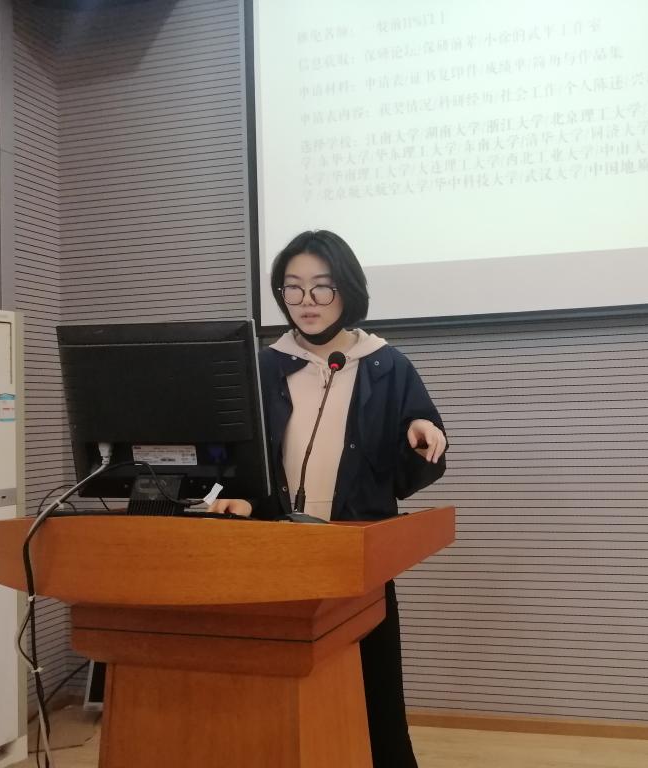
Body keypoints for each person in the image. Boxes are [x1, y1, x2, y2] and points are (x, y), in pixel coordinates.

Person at [211, 229, 448, 767]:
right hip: (274, 555)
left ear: (347, 290)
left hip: (354, 556)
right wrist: (230, 497)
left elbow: (413, 458)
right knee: (279, 691)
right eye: (292, 287)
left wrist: (420, 434)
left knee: (371, 691)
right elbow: (230, 458)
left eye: (322, 286)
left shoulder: (385, 364)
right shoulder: (262, 366)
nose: (307, 301)